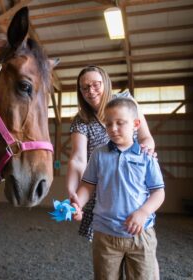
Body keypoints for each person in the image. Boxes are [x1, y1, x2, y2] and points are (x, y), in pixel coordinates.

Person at [65, 65, 160, 279]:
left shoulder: (126, 102)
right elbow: (78, 158)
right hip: (103, 186)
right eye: (84, 88)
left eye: (95, 84)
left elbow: (146, 137)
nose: (91, 91)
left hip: (133, 187)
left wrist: (146, 153)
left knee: (146, 262)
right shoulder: (82, 120)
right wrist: (73, 196)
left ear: (105, 82)